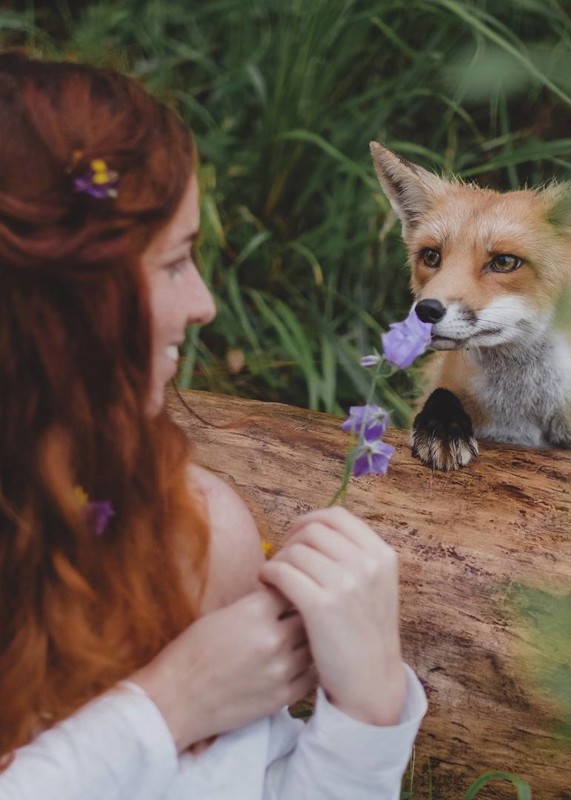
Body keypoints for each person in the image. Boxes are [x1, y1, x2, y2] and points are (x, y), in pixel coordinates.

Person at [0, 52, 426, 799]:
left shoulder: (188, 540)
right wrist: (166, 708)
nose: (204, 305)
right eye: (172, 263)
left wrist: (367, 711)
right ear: (53, 318)